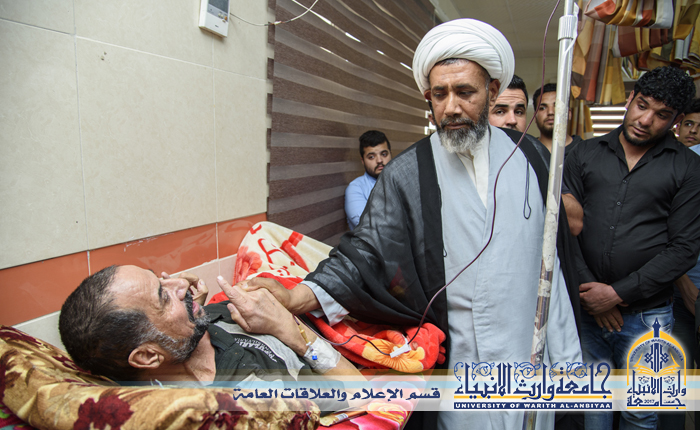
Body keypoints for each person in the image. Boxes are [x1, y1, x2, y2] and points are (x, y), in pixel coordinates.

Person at [250, 19, 582, 430]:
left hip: (529, 356)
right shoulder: (409, 172)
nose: (451, 107)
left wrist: (567, 361)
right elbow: (366, 254)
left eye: (465, 92)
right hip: (461, 364)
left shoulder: (533, 156)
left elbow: (555, 270)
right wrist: (294, 296)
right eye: (440, 94)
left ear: (492, 91)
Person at [563, 66, 700, 430]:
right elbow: (564, 232)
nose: (645, 120)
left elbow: (684, 248)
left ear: (676, 121)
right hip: (587, 311)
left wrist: (616, 294)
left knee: (640, 413)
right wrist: (592, 293)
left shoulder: (689, 167)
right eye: (642, 105)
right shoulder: (584, 153)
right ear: (629, 99)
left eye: (662, 115)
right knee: (593, 408)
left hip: (648, 317)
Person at [58, 265, 364, 406]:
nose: (180, 283)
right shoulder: (251, 397)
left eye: (161, 279)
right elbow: (360, 393)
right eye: (163, 296)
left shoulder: (184, 336)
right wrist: (291, 329)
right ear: (148, 355)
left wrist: (187, 316)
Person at [345, 130, 392, 230]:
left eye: (384, 154)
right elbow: (369, 227)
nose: (379, 160)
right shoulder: (356, 188)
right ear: (363, 161)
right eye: (371, 157)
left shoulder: (401, 182)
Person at [534, 83, 584, 153]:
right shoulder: (527, 151)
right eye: (543, 108)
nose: (550, 112)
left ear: (569, 114)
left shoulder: (585, 150)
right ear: (535, 117)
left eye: (557, 106)